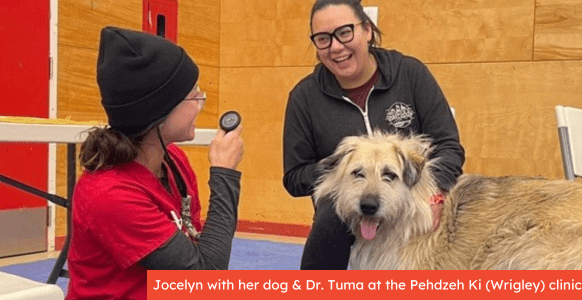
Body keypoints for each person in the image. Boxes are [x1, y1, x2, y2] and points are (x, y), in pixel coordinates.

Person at [283, 0, 465, 270]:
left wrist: (435, 193)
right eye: (323, 39)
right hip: (343, 218)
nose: (335, 47)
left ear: (367, 30)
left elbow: (449, 146)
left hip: (413, 205)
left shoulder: (410, 73)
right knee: (332, 212)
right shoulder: (304, 98)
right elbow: (295, 177)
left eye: (345, 32)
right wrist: (341, 166)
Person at [66, 26, 244, 299]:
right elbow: (205, 279)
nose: (200, 102)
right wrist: (224, 175)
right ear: (160, 110)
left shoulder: (174, 161)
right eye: (193, 95)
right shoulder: (109, 195)